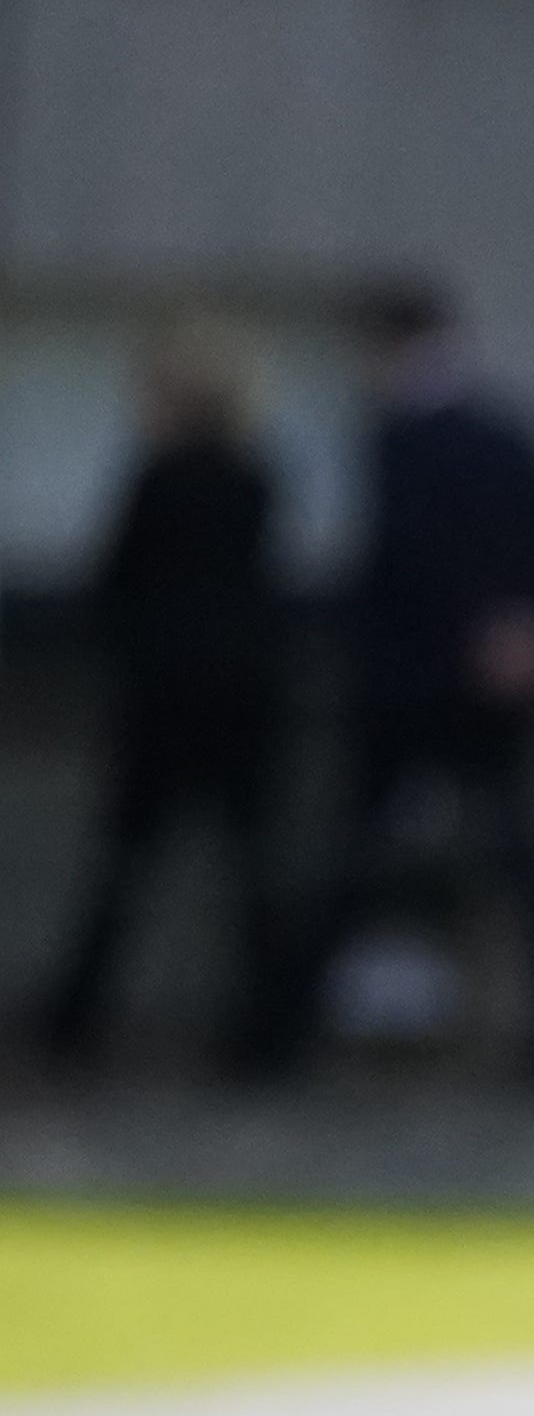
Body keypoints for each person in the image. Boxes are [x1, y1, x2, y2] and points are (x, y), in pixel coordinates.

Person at [286, 274, 534, 1083]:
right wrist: (519, 630)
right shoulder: (506, 437)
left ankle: (281, 1038)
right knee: (515, 867)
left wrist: (492, 633)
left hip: (415, 690)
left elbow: (401, 563)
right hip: (484, 690)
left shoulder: (399, 442)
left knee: (358, 854)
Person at [25, 334, 289, 1078]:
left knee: (125, 871)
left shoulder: (162, 478)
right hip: (240, 704)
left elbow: (116, 585)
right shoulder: (254, 477)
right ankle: (267, 1029)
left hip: (165, 704)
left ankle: (74, 1021)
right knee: (248, 876)